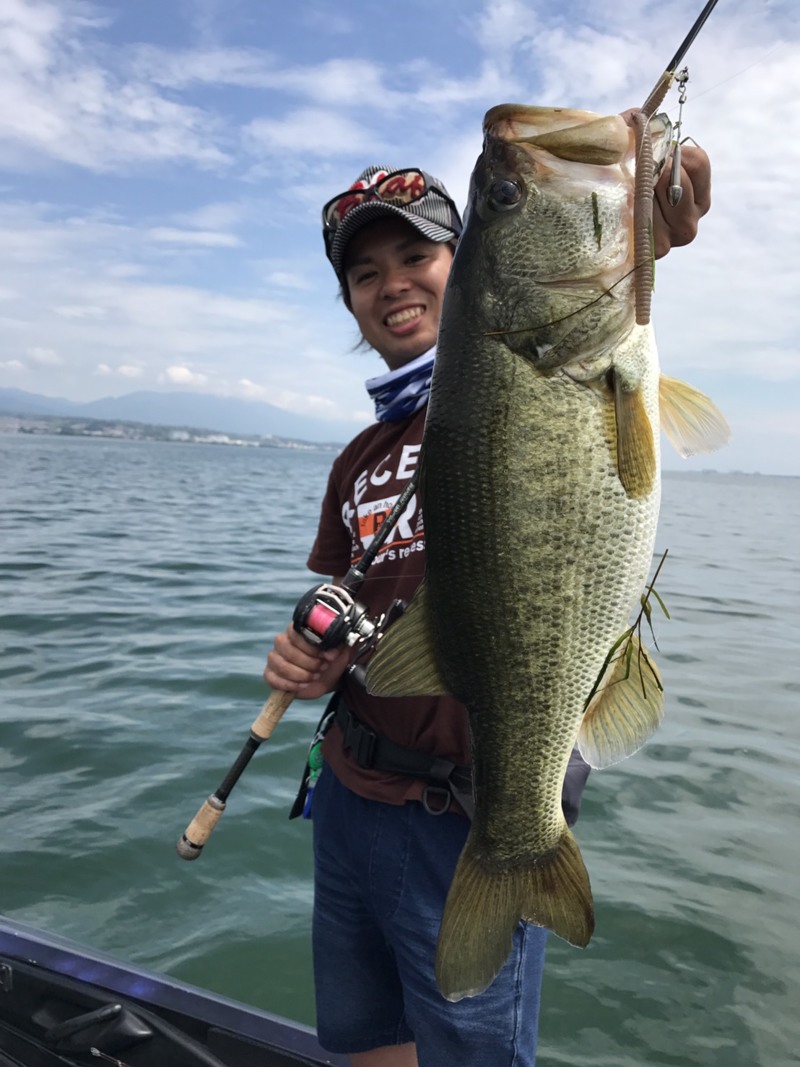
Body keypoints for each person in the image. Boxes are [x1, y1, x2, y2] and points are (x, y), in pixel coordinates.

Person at [264, 121, 711, 1067]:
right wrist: (315, 656)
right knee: (365, 1038)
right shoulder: (359, 457)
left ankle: (523, 847)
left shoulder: (524, 361)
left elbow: (577, 291)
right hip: (347, 791)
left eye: (416, 256)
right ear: (348, 303)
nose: (391, 283)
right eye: (364, 273)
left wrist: (644, 232)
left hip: (463, 813)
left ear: (463, 265)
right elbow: (363, 607)